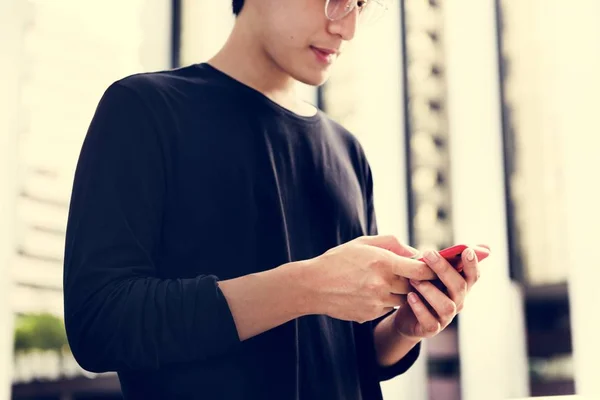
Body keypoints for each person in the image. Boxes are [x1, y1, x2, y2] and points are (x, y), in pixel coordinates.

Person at [63, 0, 486, 399]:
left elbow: (355, 354)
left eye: (359, 5)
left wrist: (405, 327)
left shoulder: (347, 150)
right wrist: (309, 286)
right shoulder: (145, 109)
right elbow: (100, 326)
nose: (348, 27)